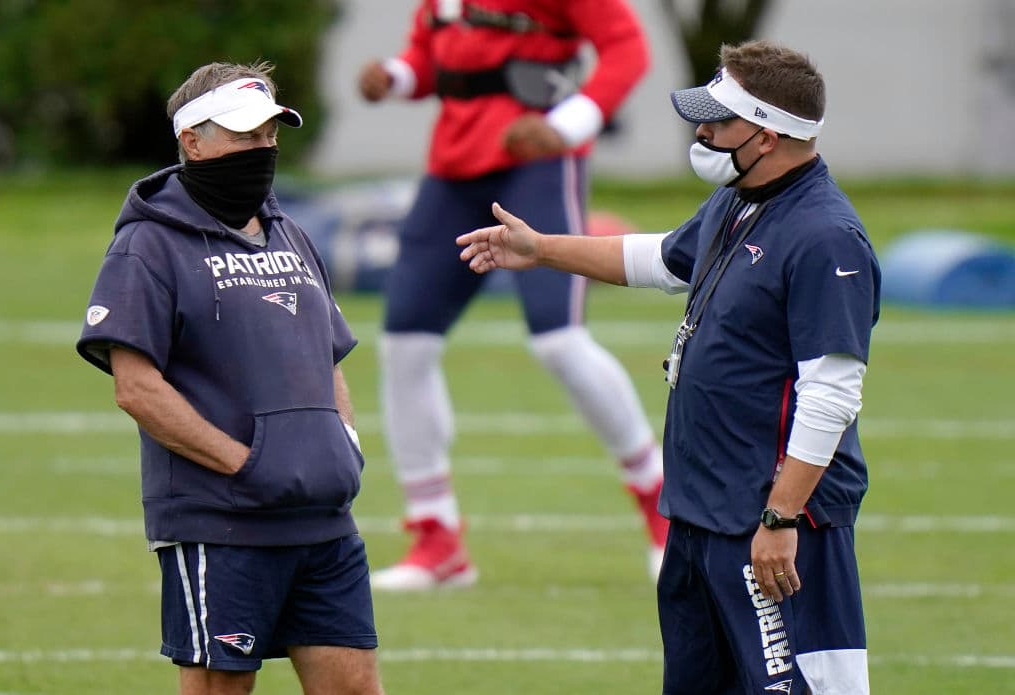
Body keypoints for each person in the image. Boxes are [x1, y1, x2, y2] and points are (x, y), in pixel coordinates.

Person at [458, 40, 879, 695]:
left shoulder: (825, 235)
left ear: (767, 136)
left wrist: (780, 520)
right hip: (701, 514)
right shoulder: (742, 199)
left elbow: (832, 391)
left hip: (768, 523)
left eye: (717, 119)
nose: (702, 131)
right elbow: (660, 259)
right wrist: (540, 249)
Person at [76, 61, 385, 695]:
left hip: (324, 521)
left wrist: (344, 444)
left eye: (271, 134)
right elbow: (135, 387)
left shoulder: (290, 233)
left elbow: (326, 357)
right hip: (222, 524)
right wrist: (245, 466)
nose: (263, 149)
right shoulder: (147, 247)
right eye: (245, 136)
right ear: (193, 141)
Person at [356, 0, 669, 592]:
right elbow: (434, 58)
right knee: (404, 347)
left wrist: (566, 124)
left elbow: (628, 48)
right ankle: (436, 539)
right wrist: (394, 76)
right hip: (454, 169)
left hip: (536, 162)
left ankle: (662, 509)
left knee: (559, 342)